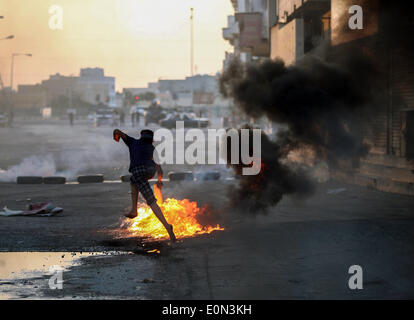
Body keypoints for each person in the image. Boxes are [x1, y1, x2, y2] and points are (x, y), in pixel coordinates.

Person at [113, 128, 176, 242]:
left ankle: (167, 226)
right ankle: (134, 210)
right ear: (151, 140)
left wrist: (116, 136)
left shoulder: (133, 142)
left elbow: (118, 131)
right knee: (133, 181)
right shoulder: (152, 148)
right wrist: (159, 181)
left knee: (151, 201)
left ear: (141, 137)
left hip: (138, 170)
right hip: (150, 171)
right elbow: (160, 170)